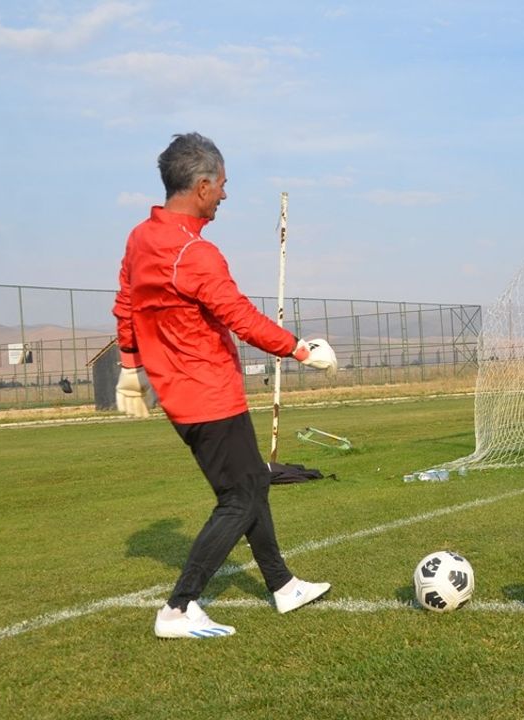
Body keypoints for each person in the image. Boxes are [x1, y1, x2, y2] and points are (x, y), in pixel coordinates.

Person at [113, 132, 339, 639]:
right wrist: (300, 349)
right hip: (209, 394)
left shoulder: (141, 238)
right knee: (238, 499)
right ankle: (178, 607)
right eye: (222, 185)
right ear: (201, 186)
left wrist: (131, 365)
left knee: (251, 483)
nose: (225, 195)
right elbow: (239, 316)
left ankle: (283, 585)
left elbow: (126, 301)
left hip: (183, 396)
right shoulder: (194, 252)